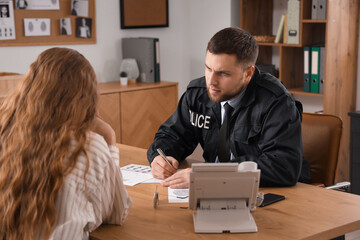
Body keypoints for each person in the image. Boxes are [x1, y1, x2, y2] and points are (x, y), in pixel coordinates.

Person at [147, 27, 310, 189]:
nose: (211, 81)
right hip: (215, 191)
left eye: (223, 73)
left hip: (272, 193)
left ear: (248, 73)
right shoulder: (197, 94)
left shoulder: (276, 101)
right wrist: (159, 157)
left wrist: (209, 175)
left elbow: (282, 167)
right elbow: (171, 134)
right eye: (208, 68)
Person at [0, 48, 132, 240]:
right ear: (85, 97)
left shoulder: (6, 131)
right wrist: (109, 140)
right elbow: (116, 212)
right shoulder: (88, 146)